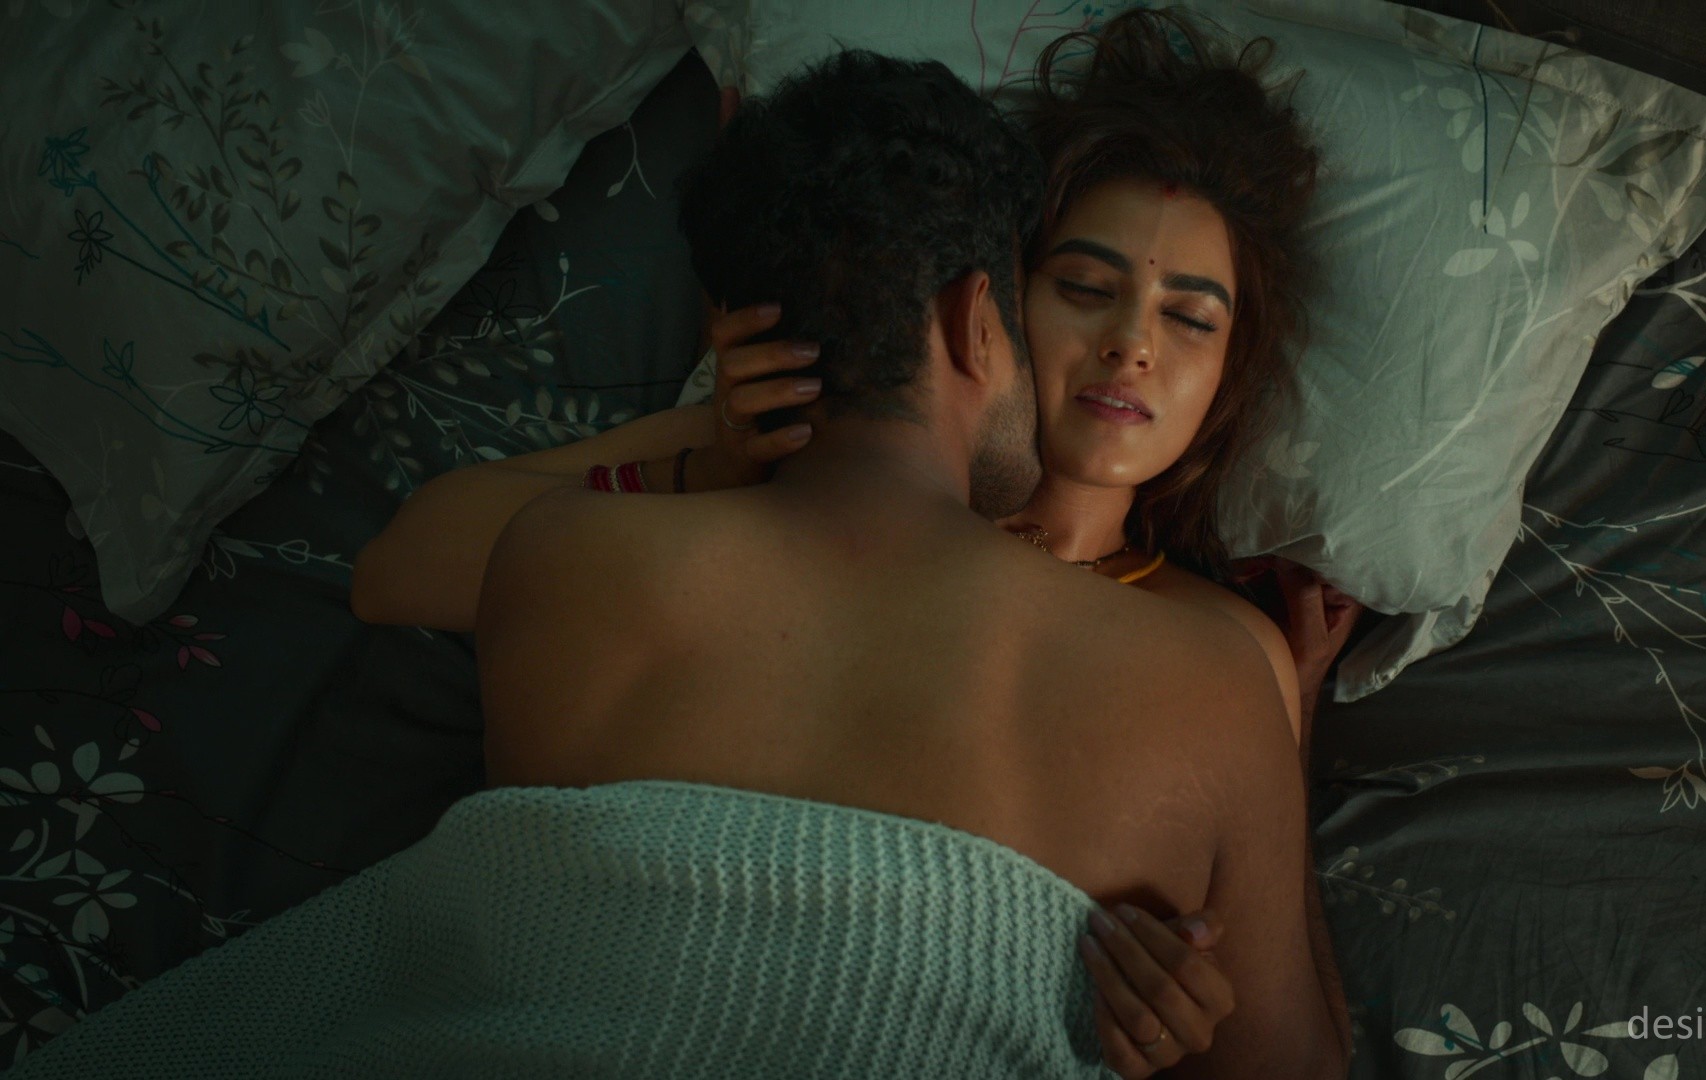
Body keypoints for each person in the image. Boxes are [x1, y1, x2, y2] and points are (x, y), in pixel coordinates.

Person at [352, 12, 1358, 1078]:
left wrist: (1188, 1009)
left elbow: (1272, 1045)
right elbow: (406, 569)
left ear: (1232, 372)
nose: (1131, 344)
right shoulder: (767, 473)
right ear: (990, 309)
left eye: (1192, 317)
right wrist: (714, 449)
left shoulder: (1229, 661)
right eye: (1084, 287)